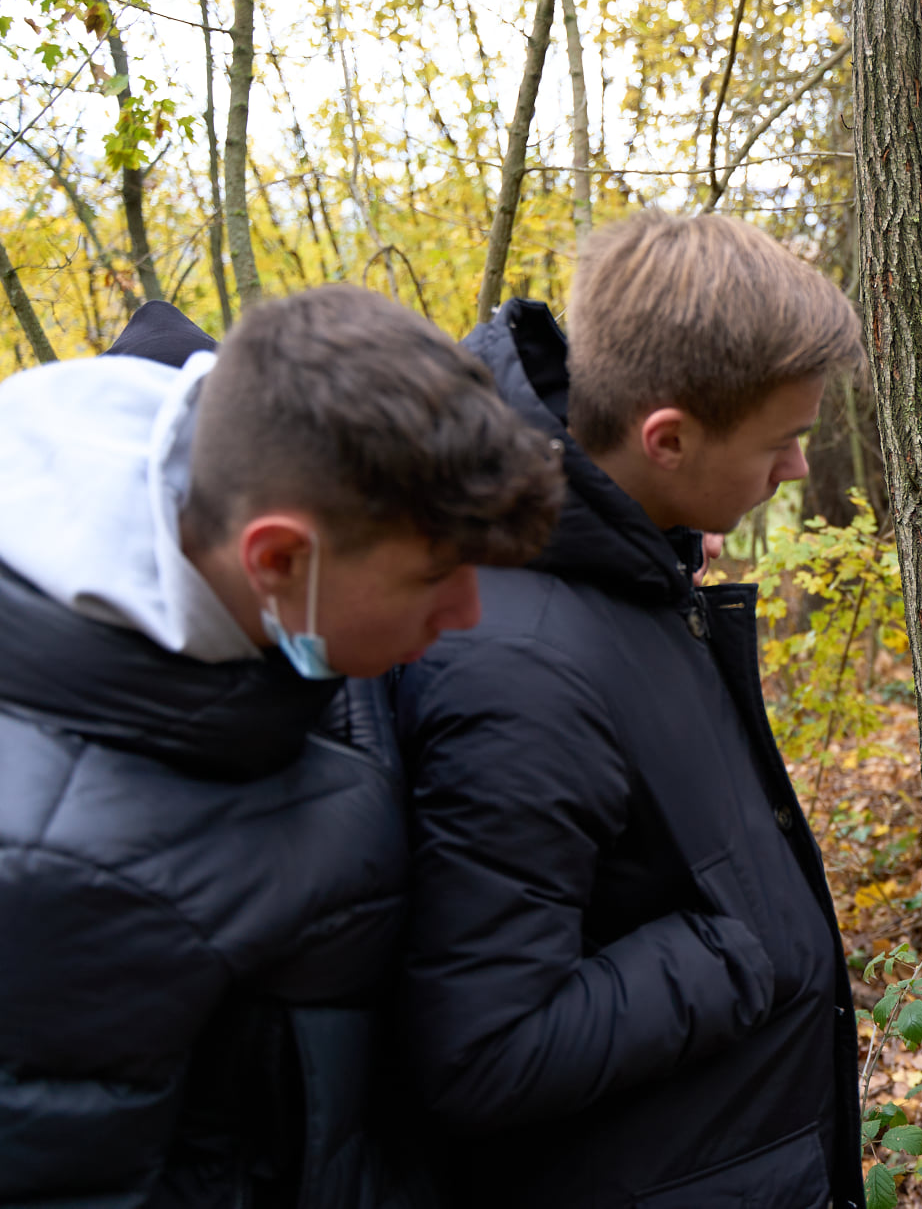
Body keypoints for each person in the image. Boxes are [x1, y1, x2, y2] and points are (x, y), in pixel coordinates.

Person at [0, 285, 563, 1207]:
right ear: (276, 560)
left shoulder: (261, 597)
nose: (466, 615)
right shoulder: (51, 874)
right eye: (435, 577)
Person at [391, 211, 866, 1208]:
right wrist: (740, 946)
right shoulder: (515, 668)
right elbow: (485, 1051)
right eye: (781, 441)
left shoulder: (637, 565)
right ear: (669, 437)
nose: (793, 470)